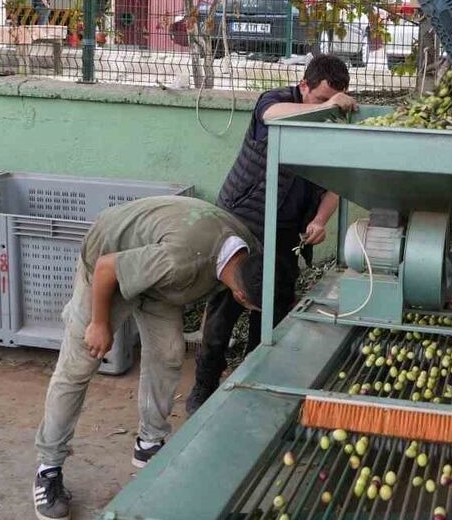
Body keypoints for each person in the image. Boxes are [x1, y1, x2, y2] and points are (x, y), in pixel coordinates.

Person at [31, 195, 263, 520]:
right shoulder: (181, 261)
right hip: (106, 260)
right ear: (241, 295)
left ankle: (149, 442)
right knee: (80, 363)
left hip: (157, 281)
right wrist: (99, 324)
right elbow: (107, 267)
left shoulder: (249, 253)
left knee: (169, 353)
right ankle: (49, 467)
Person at [185, 54, 357, 413]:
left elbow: (335, 183)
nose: (325, 108)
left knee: (272, 312)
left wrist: (321, 221)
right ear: (303, 86)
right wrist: (326, 108)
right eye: (318, 99)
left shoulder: (331, 120)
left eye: (332, 100)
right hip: (241, 225)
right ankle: (204, 386)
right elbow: (269, 117)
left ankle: (251, 385)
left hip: (286, 233)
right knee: (224, 309)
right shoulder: (275, 100)